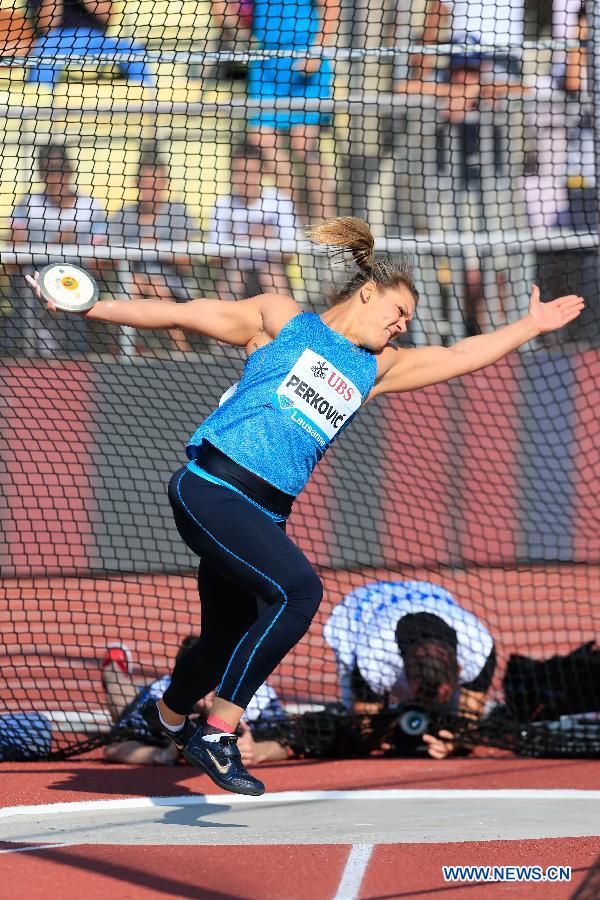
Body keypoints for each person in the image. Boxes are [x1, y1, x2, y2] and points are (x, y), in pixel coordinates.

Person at [27, 215, 584, 796]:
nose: (400, 326)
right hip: (212, 488)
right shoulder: (280, 319)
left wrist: (528, 326)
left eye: (407, 323)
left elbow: (461, 354)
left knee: (222, 641)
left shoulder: (376, 369)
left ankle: (165, 718)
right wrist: (91, 309)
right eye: (397, 312)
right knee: (300, 591)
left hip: (262, 514)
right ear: (368, 290)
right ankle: (218, 731)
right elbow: (180, 312)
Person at [323, 580, 496, 759]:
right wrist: (377, 734)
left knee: (458, 731)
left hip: (427, 595)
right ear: (405, 676)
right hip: (359, 611)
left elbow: (469, 725)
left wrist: (454, 742)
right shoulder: (374, 659)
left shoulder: (478, 648)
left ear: (460, 670)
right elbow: (364, 726)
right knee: (357, 738)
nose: (426, 702)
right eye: (423, 694)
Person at [101, 639, 289, 765]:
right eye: (201, 686)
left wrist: (258, 750)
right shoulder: (159, 695)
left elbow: (288, 741)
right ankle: (114, 670)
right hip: (159, 720)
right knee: (122, 709)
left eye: (213, 685)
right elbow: (115, 747)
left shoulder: (258, 698)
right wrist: (162, 754)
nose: (208, 695)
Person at [5, 142, 108, 356]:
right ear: (42, 174)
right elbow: (12, 256)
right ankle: (24, 352)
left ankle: (76, 355)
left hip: (77, 284)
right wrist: (53, 245)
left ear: (70, 171)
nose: (55, 179)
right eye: (48, 171)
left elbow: (101, 263)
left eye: (60, 170)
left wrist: (73, 247)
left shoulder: (90, 207)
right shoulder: (29, 204)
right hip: (33, 283)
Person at [244, 0, 339, 222]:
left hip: (306, 64)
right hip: (267, 65)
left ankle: (327, 226)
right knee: (262, 140)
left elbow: (332, 6)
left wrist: (316, 51)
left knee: (303, 145)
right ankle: (290, 226)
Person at [107, 146, 203, 355]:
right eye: (147, 185)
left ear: (165, 184)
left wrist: (159, 248)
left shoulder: (178, 212)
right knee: (133, 286)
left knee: (157, 288)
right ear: (137, 184)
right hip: (135, 281)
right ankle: (125, 353)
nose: (152, 191)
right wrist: (136, 250)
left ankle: (182, 354)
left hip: (175, 284)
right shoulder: (124, 215)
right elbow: (107, 260)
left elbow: (187, 263)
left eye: (157, 184)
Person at [207, 142, 299, 300]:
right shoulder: (222, 205)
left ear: (261, 173)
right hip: (237, 273)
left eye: (250, 172)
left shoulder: (280, 201)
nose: (244, 179)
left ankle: (288, 323)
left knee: (270, 272)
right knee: (234, 274)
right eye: (239, 172)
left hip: (271, 272)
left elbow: (289, 255)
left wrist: (269, 242)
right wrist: (238, 244)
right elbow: (215, 259)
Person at [26, 0, 151, 85]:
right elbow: (46, 25)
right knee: (43, 53)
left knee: (134, 52)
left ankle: (146, 105)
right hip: (57, 41)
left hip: (96, 39)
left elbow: (108, 15)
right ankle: (38, 112)